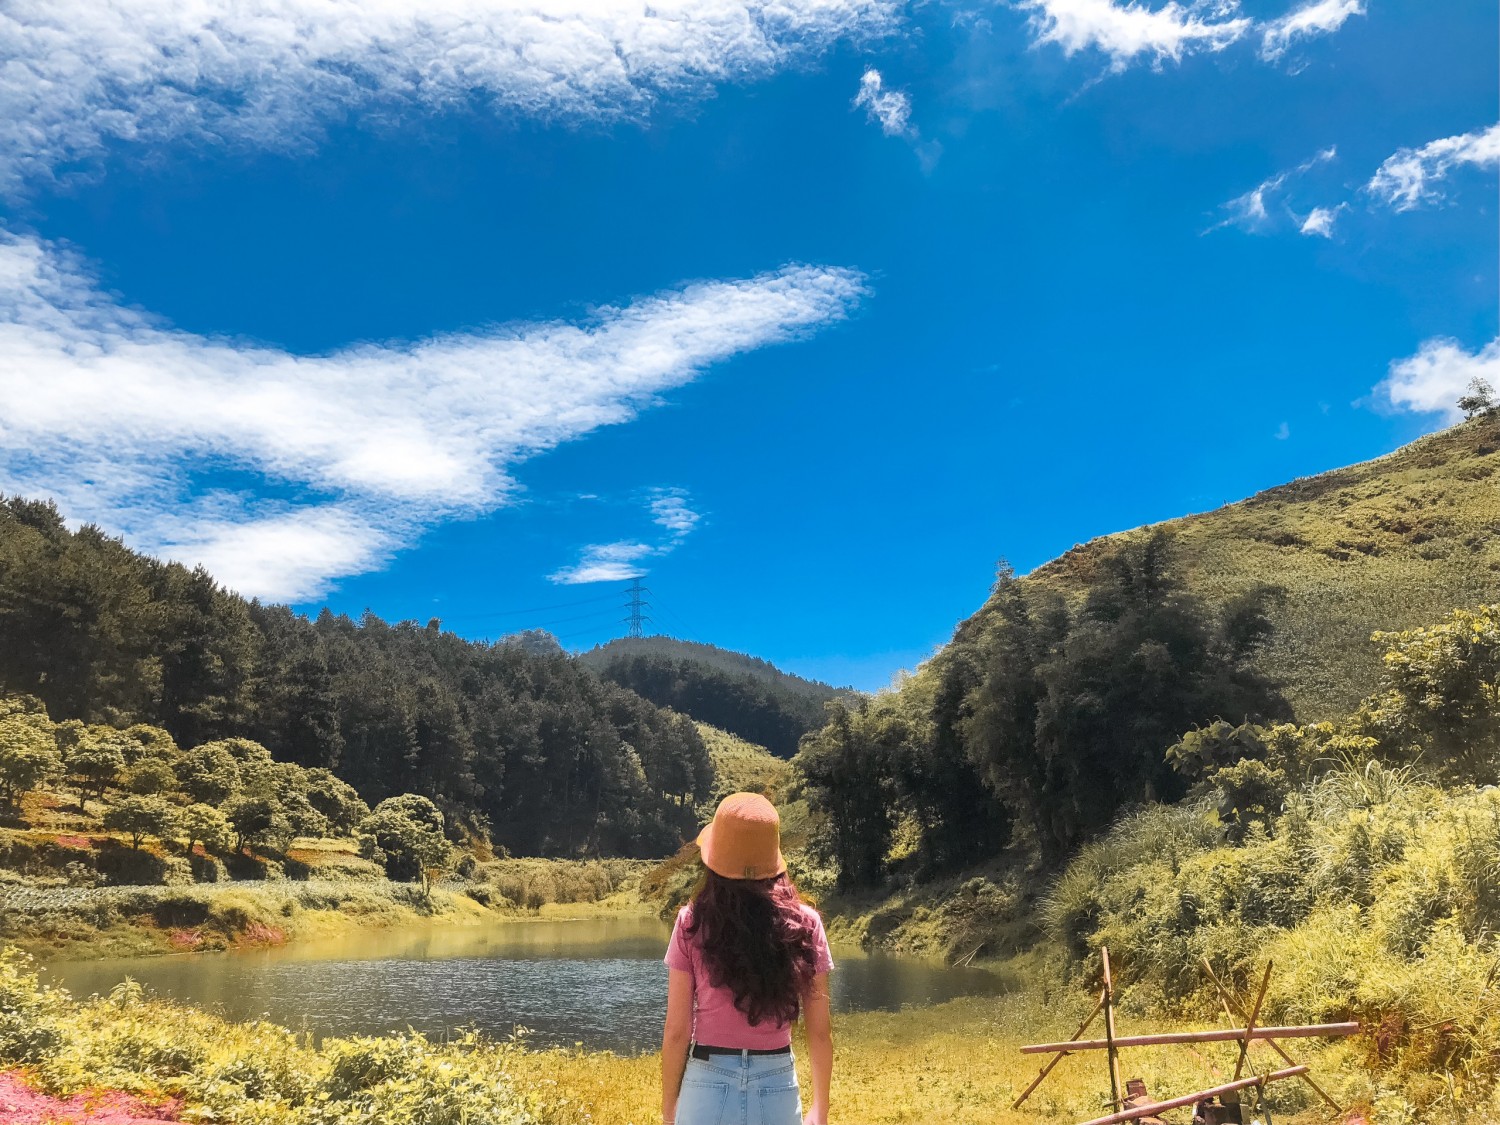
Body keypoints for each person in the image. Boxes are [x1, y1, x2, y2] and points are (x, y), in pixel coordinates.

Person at [660, 793, 834, 1125]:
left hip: (705, 1084)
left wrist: (670, 1112)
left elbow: (676, 1032)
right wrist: (820, 1110)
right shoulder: (807, 924)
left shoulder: (691, 922)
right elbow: (820, 1032)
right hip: (777, 1083)